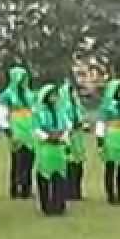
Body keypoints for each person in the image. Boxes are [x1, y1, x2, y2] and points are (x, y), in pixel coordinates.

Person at [0, 65, 36, 200]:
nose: (25, 81)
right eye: (23, 78)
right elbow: (2, 114)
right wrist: (8, 130)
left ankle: (27, 188)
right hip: (16, 128)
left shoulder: (30, 94)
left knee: (29, 160)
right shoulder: (7, 94)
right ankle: (15, 188)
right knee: (18, 160)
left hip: (29, 129)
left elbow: (35, 110)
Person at [33, 84, 70, 216]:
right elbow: (36, 128)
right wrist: (48, 137)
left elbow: (67, 126)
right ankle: (46, 206)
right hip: (46, 147)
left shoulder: (61, 111)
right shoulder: (39, 112)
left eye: (56, 95)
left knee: (59, 176)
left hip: (59, 147)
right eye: (52, 95)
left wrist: (62, 136)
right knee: (44, 175)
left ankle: (59, 204)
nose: (55, 98)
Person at [63, 79, 89, 201]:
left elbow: (81, 116)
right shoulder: (64, 105)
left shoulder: (77, 104)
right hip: (69, 135)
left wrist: (83, 124)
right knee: (70, 164)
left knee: (79, 164)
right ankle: (69, 191)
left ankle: (77, 191)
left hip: (78, 137)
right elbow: (65, 119)